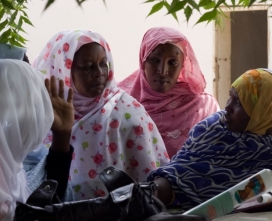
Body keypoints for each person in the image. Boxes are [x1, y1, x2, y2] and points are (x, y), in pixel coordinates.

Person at [149, 69, 272, 209]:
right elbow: (177, 174)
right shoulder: (211, 133)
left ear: (265, 110)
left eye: (240, 102)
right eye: (231, 97)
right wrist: (151, 193)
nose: (228, 107)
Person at [32, 30, 169, 200]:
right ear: (64, 70)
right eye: (88, 67)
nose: (99, 73)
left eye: (103, 64)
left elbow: (150, 180)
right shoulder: (45, 114)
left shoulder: (126, 112)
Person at [0, 60, 73, 220]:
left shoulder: (5, 158)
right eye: (33, 103)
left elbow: (44, 204)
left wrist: (63, 134)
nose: (39, 113)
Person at [118, 27, 219, 157]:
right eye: (155, 60)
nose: (163, 70)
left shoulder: (204, 106)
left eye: (173, 62)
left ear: (183, 65)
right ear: (143, 61)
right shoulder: (120, 103)